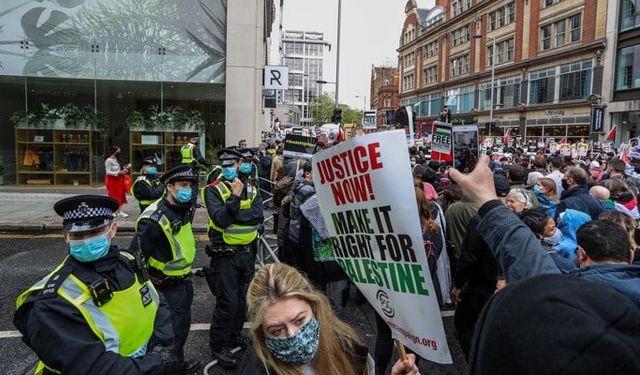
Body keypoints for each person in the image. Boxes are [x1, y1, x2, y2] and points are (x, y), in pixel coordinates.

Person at [14, 195, 180, 374]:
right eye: (77, 235)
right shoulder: (52, 301)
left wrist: (160, 346)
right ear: (66, 237)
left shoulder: (129, 261)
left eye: (94, 232)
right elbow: (93, 367)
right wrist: (156, 363)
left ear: (113, 229)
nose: (86, 241)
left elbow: (155, 301)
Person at [448, 155, 640, 304]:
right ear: (630, 254)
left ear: (581, 255)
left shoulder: (567, 290)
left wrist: (488, 203)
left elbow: (529, 257)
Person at [241, 263, 373, 375]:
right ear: (262, 334)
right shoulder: (256, 369)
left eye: (299, 321)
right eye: (277, 331)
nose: (293, 336)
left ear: (314, 308)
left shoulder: (349, 348)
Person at [131, 165, 201, 374]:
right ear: (169, 187)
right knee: (164, 338)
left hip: (182, 282)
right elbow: (136, 258)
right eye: (183, 185)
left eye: (190, 185)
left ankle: (177, 364)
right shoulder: (153, 219)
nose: (188, 189)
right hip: (163, 287)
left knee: (180, 330)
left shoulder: (182, 208)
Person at [202, 148, 264, 368]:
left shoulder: (251, 186)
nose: (228, 169)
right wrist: (235, 199)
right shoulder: (212, 190)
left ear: (239, 164)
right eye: (224, 165)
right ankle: (219, 346)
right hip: (225, 256)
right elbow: (220, 220)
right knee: (227, 303)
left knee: (242, 302)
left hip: (247, 254)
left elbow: (257, 214)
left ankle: (234, 337)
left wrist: (236, 215)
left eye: (231, 165)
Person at [373, 187, 445, 374]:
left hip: (389, 290)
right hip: (422, 294)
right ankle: (411, 367)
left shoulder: (384, 231)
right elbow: (436, 257)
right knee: (416, 338)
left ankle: (379, 370)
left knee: (385, 334)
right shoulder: (432, 230)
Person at [452, 173, 510, 359]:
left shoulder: (481, 219)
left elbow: (469, 257)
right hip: (509, 283)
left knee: (464, 326)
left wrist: (459, 285)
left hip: (483, 285)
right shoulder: (515, 214)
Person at [518, 208, 575, 272]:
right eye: (552, 229)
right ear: (538, 236)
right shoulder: (555, 261)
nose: (557, 230)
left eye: (555, 226)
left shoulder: (522, 251)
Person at [104, 145, 131, 217]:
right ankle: (111, 211)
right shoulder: (108, 160)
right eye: (118, 151)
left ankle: (120, 211)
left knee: (121, 195)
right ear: (114, 152)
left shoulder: (117, 159)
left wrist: (126, 167)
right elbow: (108, 172)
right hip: (112, 181)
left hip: (119, 180)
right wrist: (118, 173)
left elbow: (119, 169)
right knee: (112, 195)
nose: (119, 153)